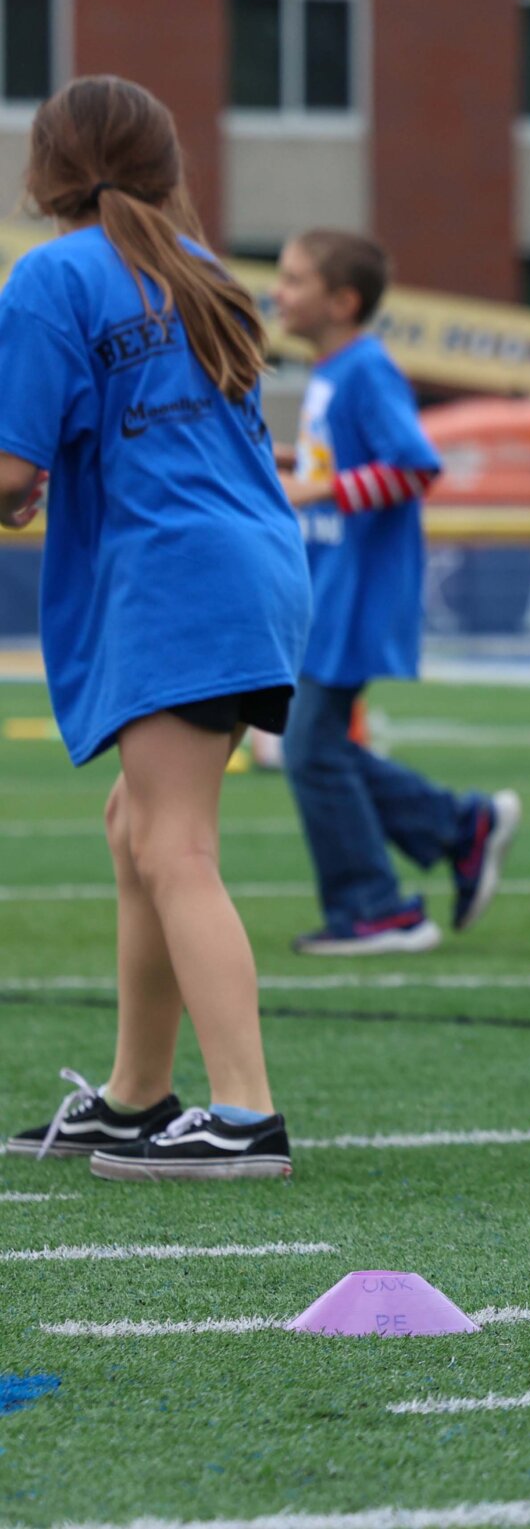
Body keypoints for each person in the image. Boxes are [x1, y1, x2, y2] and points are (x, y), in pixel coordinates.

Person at [0, 76, 311, 1180]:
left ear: (46, 172)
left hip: (176, 577)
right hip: (253, 565)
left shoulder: (50, 276)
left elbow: (13, 473)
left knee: (174, 846)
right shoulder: (202, 268)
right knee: (134, 823)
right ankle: (138, 1093)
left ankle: (245, 1112)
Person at [272, 229, 520, 958]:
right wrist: (294, 463)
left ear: (342, 301)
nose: (278, 293)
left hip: (357, 587)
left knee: (310, 749)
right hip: (330, 581)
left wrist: (319, 486)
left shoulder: (366, 367)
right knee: (316, 746)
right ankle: (458, 826)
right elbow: (340, 461)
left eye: (293, 280)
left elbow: (414, 465)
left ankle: (377, 906)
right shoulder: (333, 369)